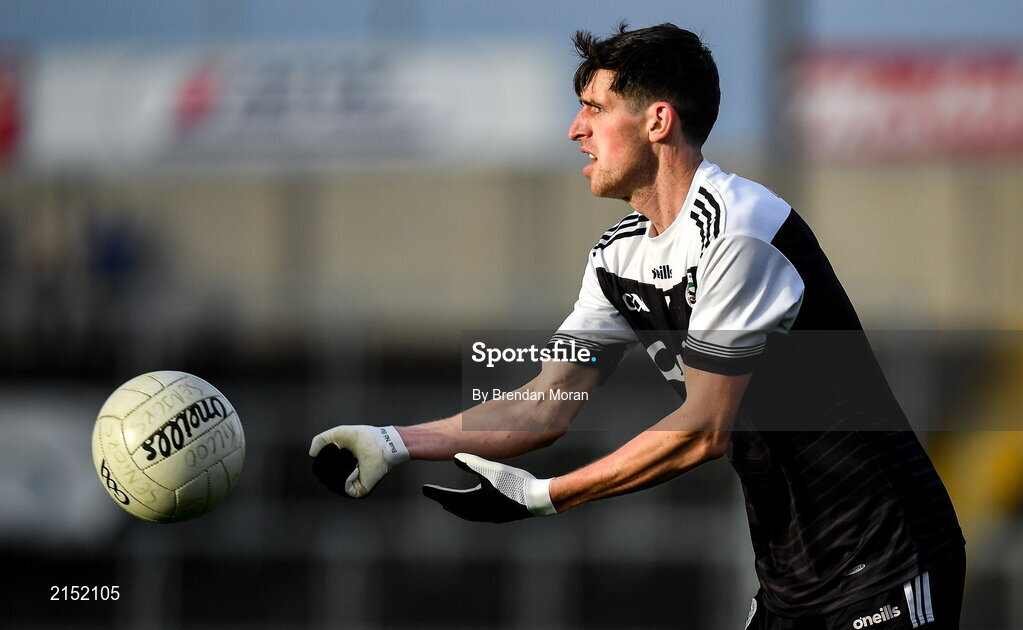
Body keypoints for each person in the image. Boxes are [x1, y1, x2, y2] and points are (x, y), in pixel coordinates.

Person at [309, 23, 966, 629]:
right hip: (790, 579)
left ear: (657, 120)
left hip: (886, 556)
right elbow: (543, 407)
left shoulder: (739, 233)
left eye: (593, 108)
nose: (574, 130)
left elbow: (702, 430)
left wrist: (547, 496)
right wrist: (393, 440)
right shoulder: (616, 256)